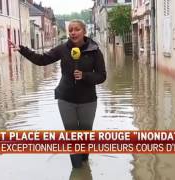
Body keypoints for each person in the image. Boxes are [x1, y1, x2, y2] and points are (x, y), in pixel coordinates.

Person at [9, 19, 106, 168]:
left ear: (84, 31)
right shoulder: (63, 49)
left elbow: (102, 76)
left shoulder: (94, 51)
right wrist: (22, 49)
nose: (73, 32)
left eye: (77, 29)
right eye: (71, 30)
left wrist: (85, 76)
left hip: (88, 101)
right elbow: (42, 60)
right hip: (66, 99)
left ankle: (85, 164)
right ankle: (77, 169)